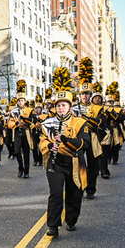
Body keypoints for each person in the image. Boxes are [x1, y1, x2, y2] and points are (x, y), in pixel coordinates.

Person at [40, 68, 90, 237]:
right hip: (55, 163)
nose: (61, 108)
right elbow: (41, 141)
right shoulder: (47, 123)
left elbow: (84, 143)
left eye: (64, 105)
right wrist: (49, 146)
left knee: (74, 194)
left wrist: (66, 140)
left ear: (69, 106)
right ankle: (53, 226)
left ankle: (71, 220)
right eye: (58, 105)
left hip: (75, 162)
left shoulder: (79, 122)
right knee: (55, 194)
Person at [75, 59, 106, 200]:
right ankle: (81, 187)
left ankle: (91, 189)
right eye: (82, 94)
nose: (84, 96)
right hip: (80, 139)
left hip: (93, 137)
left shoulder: (98, 108)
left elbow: (101, 122)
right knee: (80, 164)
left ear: (91, 95)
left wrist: (86, 118)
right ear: (79, 95)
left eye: (87, 93)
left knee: (93, 166)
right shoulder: (74, 108)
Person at [7, 80, 34, 178]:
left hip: (26, 132)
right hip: (17, 132)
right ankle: (20, 167)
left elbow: (33, 120)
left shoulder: (30, 110)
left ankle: (26, 171)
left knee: (26, 153)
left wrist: (24, 119)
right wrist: (15, 123)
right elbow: (9, 123)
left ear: (25, 101)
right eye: (19, 101)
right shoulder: (13, 111)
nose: (20, 102)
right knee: (17, 151)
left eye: (22, 100)